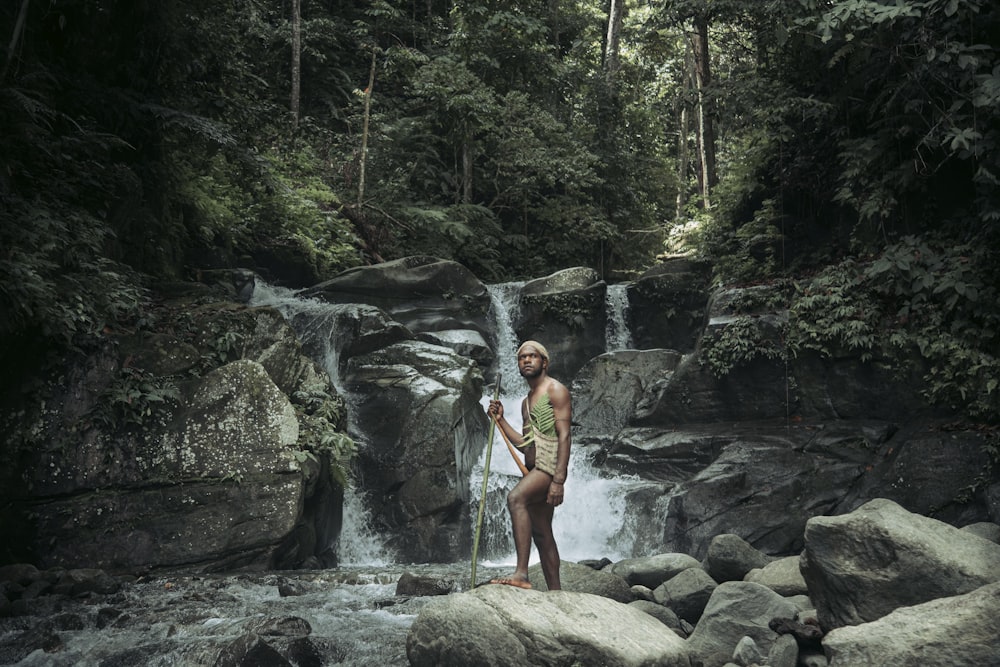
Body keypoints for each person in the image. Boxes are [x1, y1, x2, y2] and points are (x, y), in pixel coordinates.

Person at [486, 340, 571, 590]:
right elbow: (525, 444)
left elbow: (564, 436)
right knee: (542, 534)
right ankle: (556, 592)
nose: (526, 360)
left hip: (548, 468)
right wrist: (500, 421)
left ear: (544, 362)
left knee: (516, 499)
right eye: (522, 358)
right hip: (533, 469)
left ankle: (521, 574)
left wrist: (558, 480)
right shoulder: (526, 402)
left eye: (532, 356)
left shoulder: (556, 390)